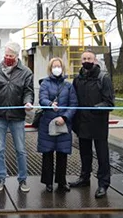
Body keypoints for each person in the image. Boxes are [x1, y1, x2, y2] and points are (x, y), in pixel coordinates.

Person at [0, 42, 34, 193]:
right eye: (6, 55)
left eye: (10, 56)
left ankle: (23, 179)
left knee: (21, 150)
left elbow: (28, 91)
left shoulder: (26, 72)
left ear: (17, 56)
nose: (7, 58)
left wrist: (28, 102)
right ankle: (0, 178)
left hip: (17, 117)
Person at [69, 50, 115, 198]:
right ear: (81, 61)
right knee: (85, 153)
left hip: (98, 123)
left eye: (89, 58)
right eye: (84, 58)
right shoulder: (78, 79)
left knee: (102, 155)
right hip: (82, 123)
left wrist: (97, 108)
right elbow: (73, 99)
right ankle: (84, 178)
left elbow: (110, 102)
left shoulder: (103, 78)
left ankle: (103, 183)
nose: (86, 60)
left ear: (94, 61)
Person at [37, 58, 78, 192]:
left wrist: (65, 117)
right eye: (54, 66)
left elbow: (73, 104)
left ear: (62, 68)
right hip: (47, 123)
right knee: (47, 154)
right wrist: (49, 104)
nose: (57, 68)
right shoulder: (45, 83)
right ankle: (47, 182)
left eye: (59, 66)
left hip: (63, 123)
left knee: (62, 154)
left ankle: (61, 181)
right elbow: (42, 98)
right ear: (50, 68)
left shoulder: (68, 86)